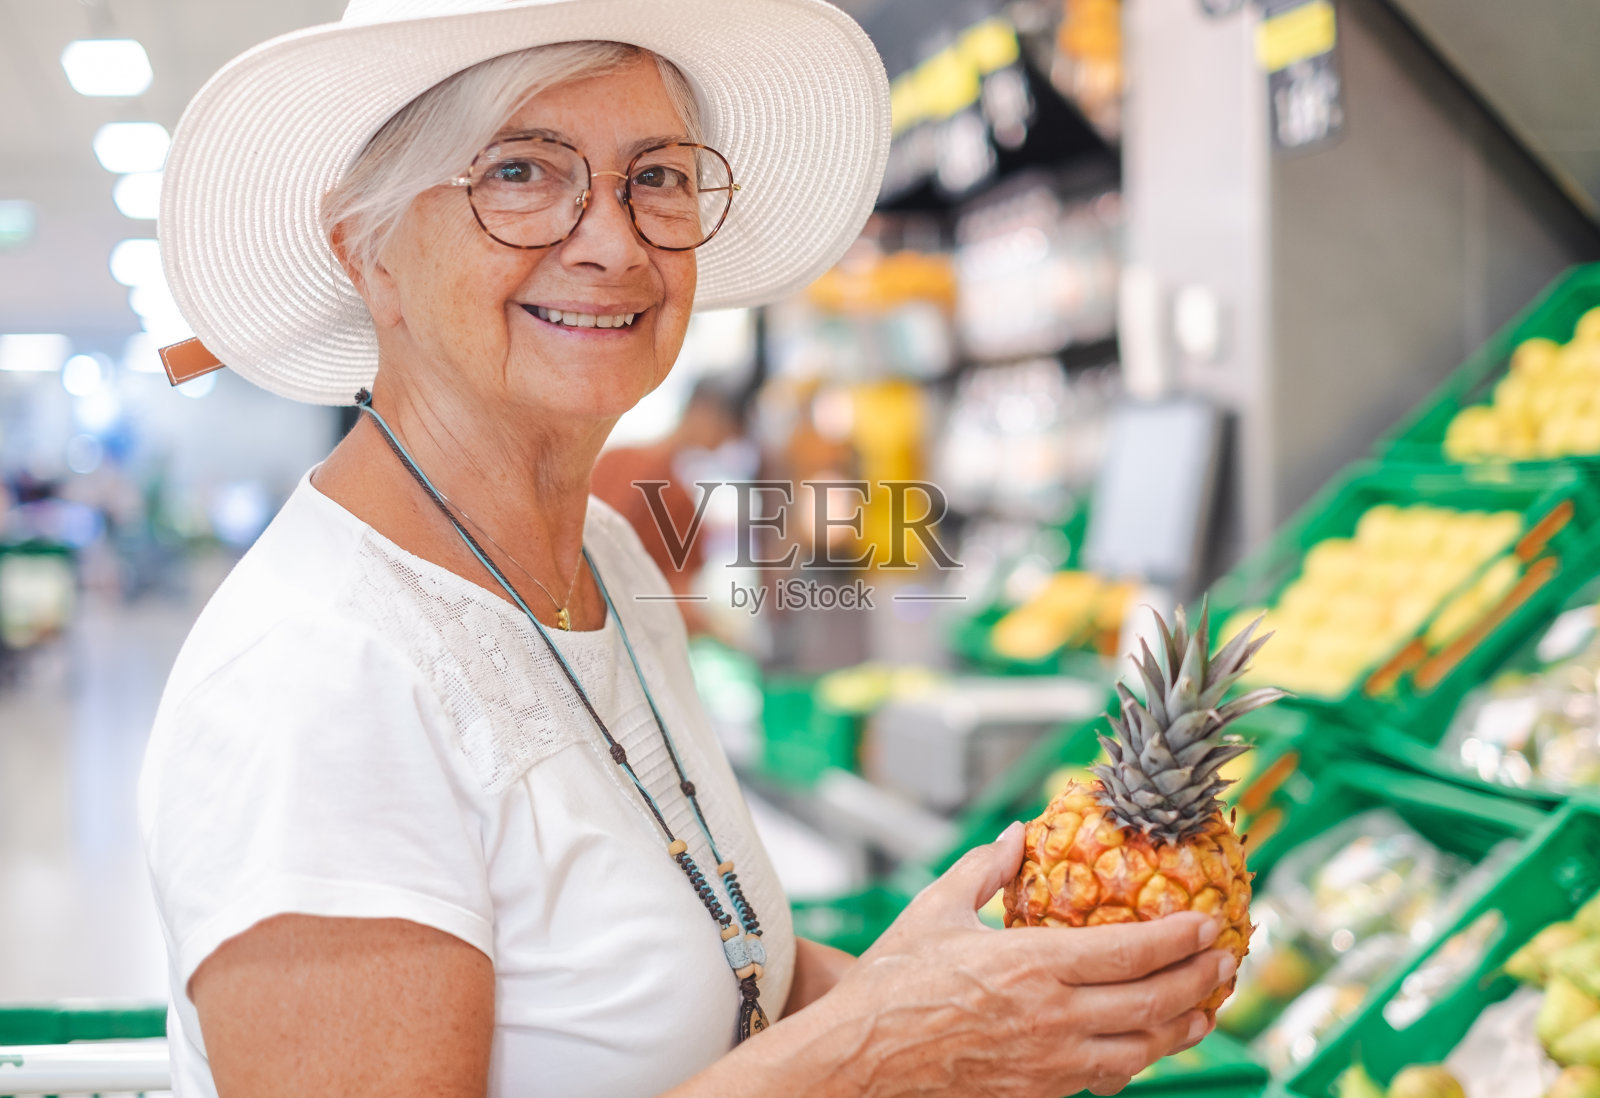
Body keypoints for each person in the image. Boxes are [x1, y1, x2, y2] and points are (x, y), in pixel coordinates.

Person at [137, 2, 1236, 1096]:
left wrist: (935, 997)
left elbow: (707, 982)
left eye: (657, 177)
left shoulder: (605, 558)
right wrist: (877, 1049)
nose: (613, 242)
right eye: (519, 172)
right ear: (366, 252)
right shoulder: (314, 682)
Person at [590, 379, 741, 630]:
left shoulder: (618, 460)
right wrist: (718, 629)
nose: (725, 442)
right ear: (704, 413)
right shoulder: (639, 472)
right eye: (727, 430)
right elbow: (675, 594)